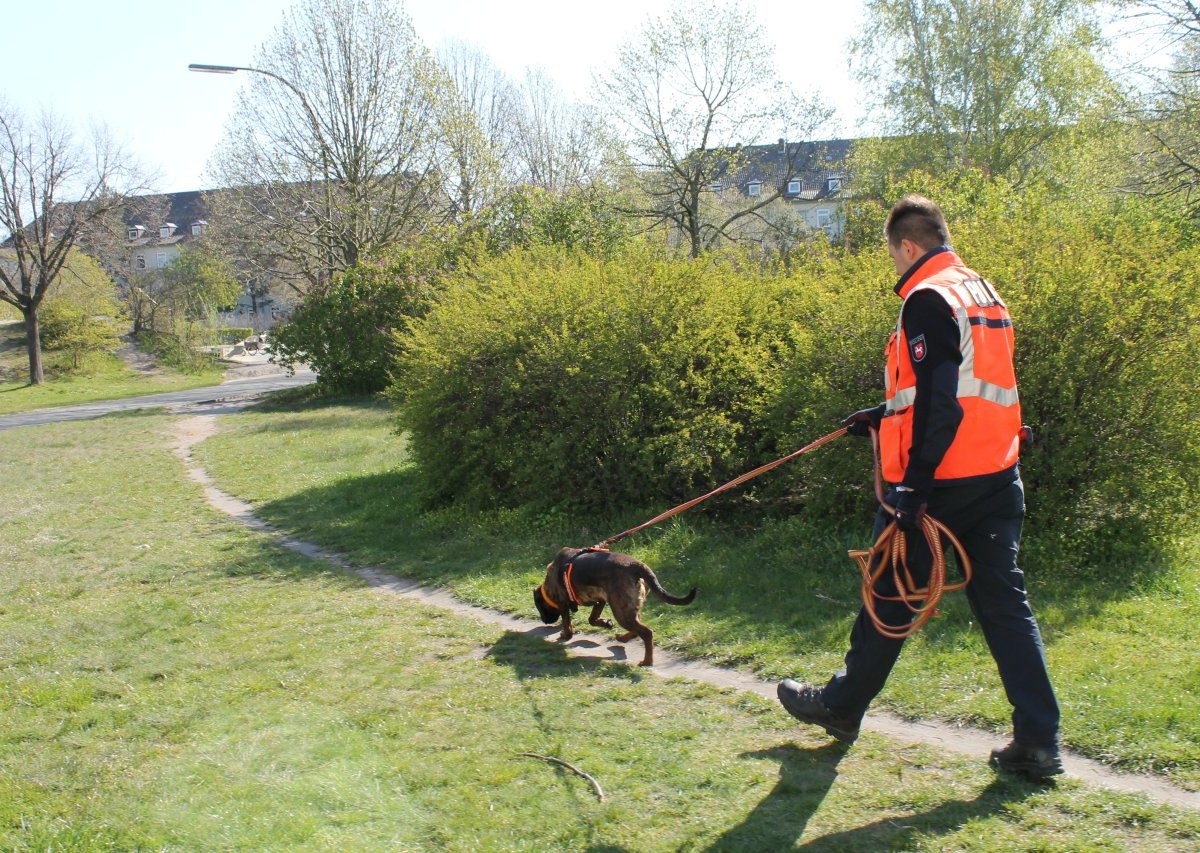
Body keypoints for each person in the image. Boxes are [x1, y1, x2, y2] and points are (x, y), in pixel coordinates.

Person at [777, 194, 1063, 780]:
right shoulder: (982, 291)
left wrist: (914, 487)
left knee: (887, 595)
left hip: (942, 485)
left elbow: (942, 402)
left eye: (891, 253)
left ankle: (840, 706)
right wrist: (883, 415)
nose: (893, 264)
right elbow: (965, 388)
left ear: (908, 245)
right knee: (1006, 607)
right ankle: (1038, 740)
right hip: (998, 473)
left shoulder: (928, 300)